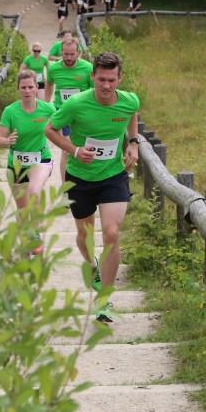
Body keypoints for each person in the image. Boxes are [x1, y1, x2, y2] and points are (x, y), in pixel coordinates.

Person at [45, 52, 140, 323]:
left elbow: (133, 114)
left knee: (111, 232)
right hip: (80, 178)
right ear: (93, 78)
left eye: (111, 80)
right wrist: (74, 150)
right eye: (101, 80)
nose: (106, 86)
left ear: (119, 78)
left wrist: (133, 144)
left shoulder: (129, 100)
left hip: (113, 176)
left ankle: (104, 300)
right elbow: (50, 130)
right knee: (85, 236)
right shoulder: (76, 104)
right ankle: (92, 265)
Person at [0, 69, 56, 253]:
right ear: (18, 89)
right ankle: (25, 246)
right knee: (22, 210)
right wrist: (8, 141)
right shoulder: (10, 111)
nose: (27, 91)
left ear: (36, 88)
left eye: (31, 87)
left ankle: (36, 235)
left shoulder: (47, 109)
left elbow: (60, 130)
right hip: (17, 163)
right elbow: (0, 141)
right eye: (23, 87)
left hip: (41, 159)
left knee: (34, 191)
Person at [45, 37, 93, 177]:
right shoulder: (54, 68)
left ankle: (84, 179)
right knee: (66, 150)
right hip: (63, 114)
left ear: (78, 53)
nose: (69, 57)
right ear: (61, 52)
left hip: (82, 115)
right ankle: (65, 187)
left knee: (83, 148)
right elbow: (49, 84)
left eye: (72, 54)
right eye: (66, 54)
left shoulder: (88, 68)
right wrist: (47, 104)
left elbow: (94, 90)